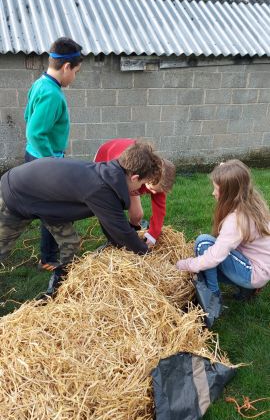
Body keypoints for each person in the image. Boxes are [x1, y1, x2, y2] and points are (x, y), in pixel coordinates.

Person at [0, 142, 162, 298]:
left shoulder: (109, 174)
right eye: (142, 183)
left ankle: (62, 282)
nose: (140, 188)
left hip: (50, 202)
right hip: (15, 193)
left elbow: (112, 226)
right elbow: (121, 233)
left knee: (70, 242)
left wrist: (127, 242)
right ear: (134, 178)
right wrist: (147, 255)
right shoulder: (102, 188)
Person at [176, 159, 270, 326]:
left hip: (253, 272)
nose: (213, 193)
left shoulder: (236, 219)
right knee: (204, 265)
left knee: (203, 244)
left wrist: (186, 264)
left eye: (216, 189)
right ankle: (247, 289)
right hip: (260, 268)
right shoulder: (251, 201)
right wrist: (225, 170)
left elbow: (214, 256)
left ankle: (214, 296)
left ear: (229, 193)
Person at [24, 37, 83, 272]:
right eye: (76, 72)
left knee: (51, 208)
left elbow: (29, 118)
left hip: (36, 157)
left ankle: (50, 254)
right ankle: (49, 258)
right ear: (67, 67)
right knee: (54, 210)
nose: (75, 77)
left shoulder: (40, 84)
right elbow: (35, 132)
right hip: (45, 161)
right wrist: (51, 161)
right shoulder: (52, 94)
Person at [94, 138, 176, 246]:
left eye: (157, 192)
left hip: (132, 180)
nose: (154, 194)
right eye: (151, 190)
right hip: (106, 162)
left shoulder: (158, 184)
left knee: (137, 215)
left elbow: (159, 211)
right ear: (149, 177)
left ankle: (133, 234)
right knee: (112, 210)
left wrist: (153, 235)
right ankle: (116, 241)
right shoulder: (130, 173)